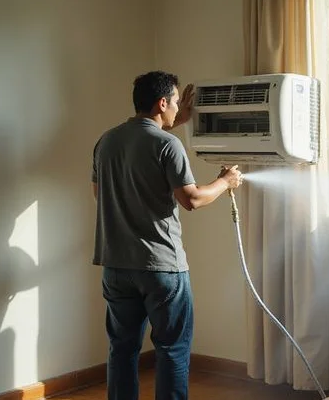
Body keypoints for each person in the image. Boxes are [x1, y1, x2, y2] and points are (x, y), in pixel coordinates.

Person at [91, 70, 242, 400]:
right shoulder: (167, 145)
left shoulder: (107, 141)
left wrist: (178, 120)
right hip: (162, 268)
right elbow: (192, 199)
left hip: (115, 266)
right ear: (162, 103)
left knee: (122, 349)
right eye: (175, 102)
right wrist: (225, 182)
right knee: (172, 350)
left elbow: (98, 193)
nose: (178, 108)